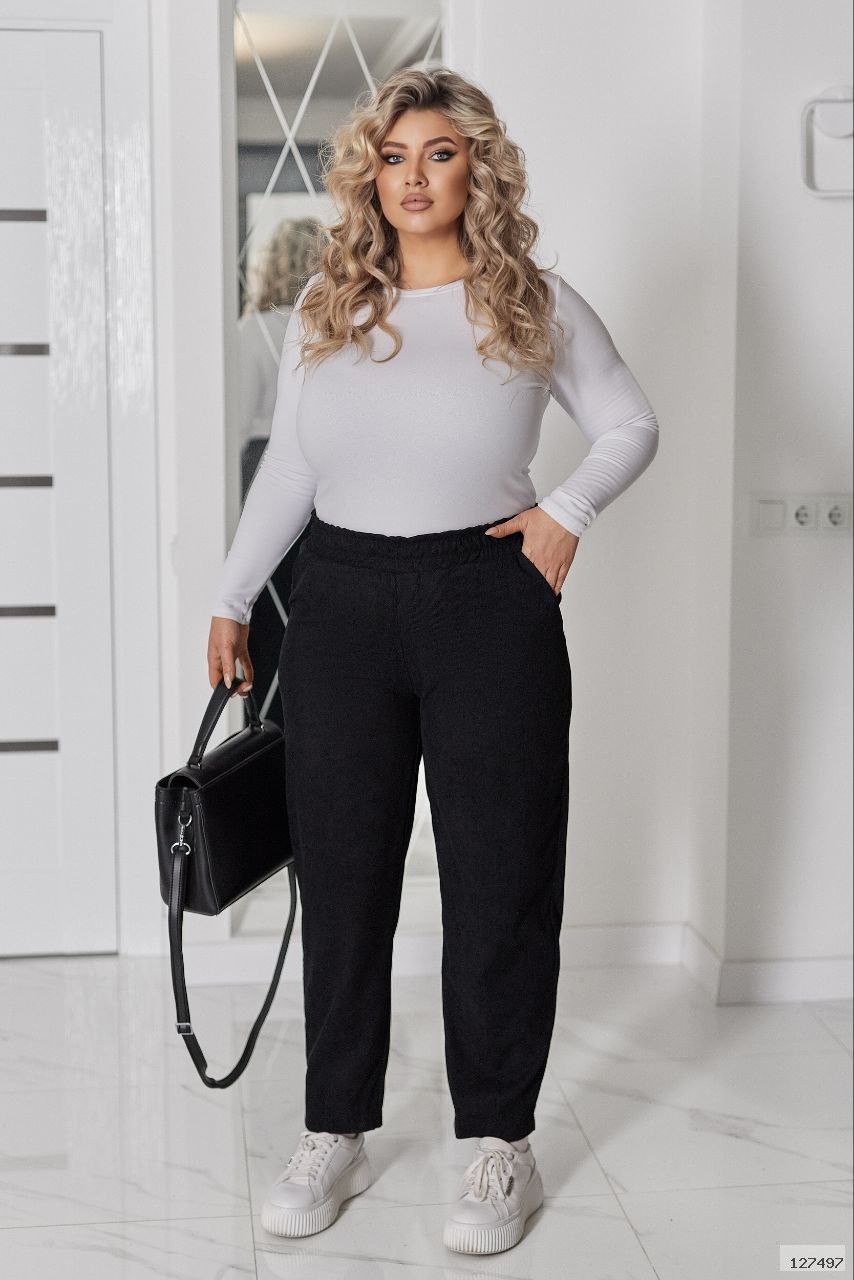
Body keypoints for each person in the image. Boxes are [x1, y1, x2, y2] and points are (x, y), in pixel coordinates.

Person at [208, 66, 659, 1258]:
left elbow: (629, 422)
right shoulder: (326, 307)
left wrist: (564, 509)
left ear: (476, 169)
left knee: (499, 871)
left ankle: (498, 1139)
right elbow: (293, 468)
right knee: (342, 872)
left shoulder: (532, 299)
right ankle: (335, 1127)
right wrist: (231, 593)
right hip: (339, 605)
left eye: (439, 153)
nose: (414, 176)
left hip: (487, 603)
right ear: (370, 174)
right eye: (394, 155)